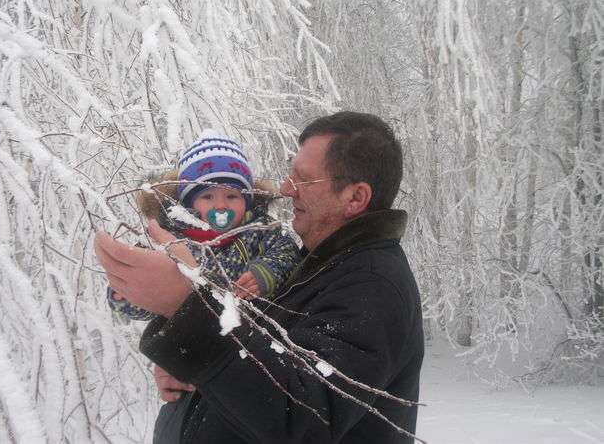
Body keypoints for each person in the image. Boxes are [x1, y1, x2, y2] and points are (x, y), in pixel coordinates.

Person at [95, 112, 425, 443]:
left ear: (355, 198)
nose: (285, 188)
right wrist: (187, 360)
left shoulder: (373, 285)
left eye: (303, 179)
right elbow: (257, 356)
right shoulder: (319, 266)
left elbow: (302, 417)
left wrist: (187, 307)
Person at [107, 130, 300, 321]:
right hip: (198, 333)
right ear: (189, 204)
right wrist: (128, 296)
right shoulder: (167, 240)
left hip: (255, 329)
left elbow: (288, 250)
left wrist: (266, 273)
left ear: (247, 201)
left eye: (232, 196)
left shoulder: (261, 229)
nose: (222, 205)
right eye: (208, 197)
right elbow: (153, 291)